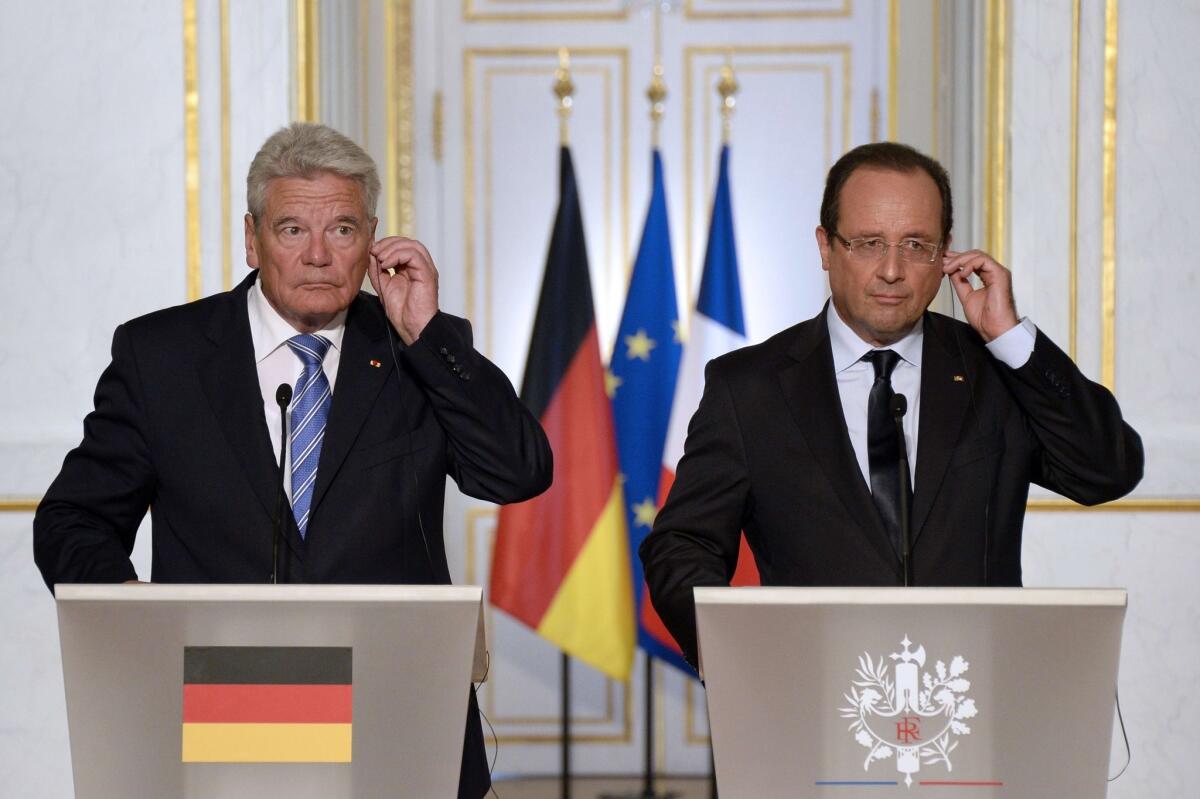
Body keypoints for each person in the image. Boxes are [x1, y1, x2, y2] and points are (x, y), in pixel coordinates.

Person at [33, 122, 552, 798]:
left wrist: (427, 336)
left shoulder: (413, 352)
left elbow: (517, 471)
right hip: (224, 713)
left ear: (371, 242)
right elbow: (72, 520)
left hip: (396, 712)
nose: (317, 256)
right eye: (290, 230)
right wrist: (131, 610)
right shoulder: (162, 357)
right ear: (252, 239)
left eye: (341, 230)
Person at [639, 141, 1144, 669]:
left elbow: (1107, 470)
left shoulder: (995, 373)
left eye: (916, 245)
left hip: (973, 706)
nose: (891, 270)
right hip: (812, 708)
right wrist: (744, 663)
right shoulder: (749, 389)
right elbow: (681, 547)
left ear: (945, 254)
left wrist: (1010, 337)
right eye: (867, 243)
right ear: (826, 248)